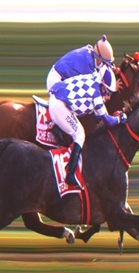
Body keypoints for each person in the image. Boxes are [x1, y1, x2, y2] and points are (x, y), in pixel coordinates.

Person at [47, 37, 125, 189]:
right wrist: (121, 118)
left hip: (59, 93)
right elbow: (107, 120)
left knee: (83, 107)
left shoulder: (93, 58)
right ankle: (70, 174)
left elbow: (102, 73)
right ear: (98, 58)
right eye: (108, 92)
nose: (108, 97)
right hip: (56, 84)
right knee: (80, 134)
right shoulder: (89, 68)